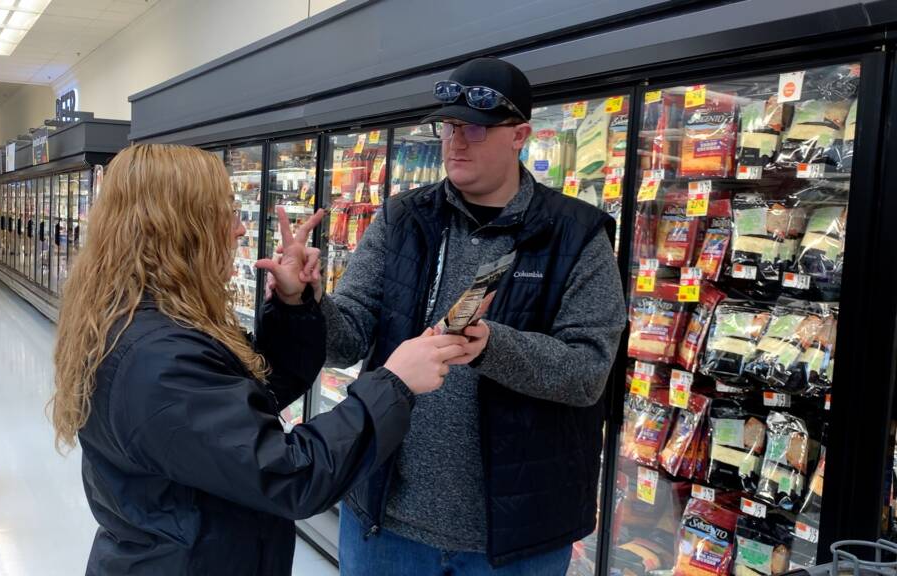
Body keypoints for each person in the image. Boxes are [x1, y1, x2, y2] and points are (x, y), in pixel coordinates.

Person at [269, 57, 627, 575]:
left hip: (516, 539)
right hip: (384, 520)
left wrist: (490, 345)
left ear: (520, 135)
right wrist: (303, 302)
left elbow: (588, 372)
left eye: (476, 129)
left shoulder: (577, 234)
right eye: (449, 127)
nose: (456, 142)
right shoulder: (400, 219)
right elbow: (347, 340)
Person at [49, 143, 471, 575]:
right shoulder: (159, 357)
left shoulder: (151, 320)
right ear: (182, 226)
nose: (237, 229)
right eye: (226, 212)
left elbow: (256, 392)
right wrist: (393, 384)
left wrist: (291, 305)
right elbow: (292, 475)